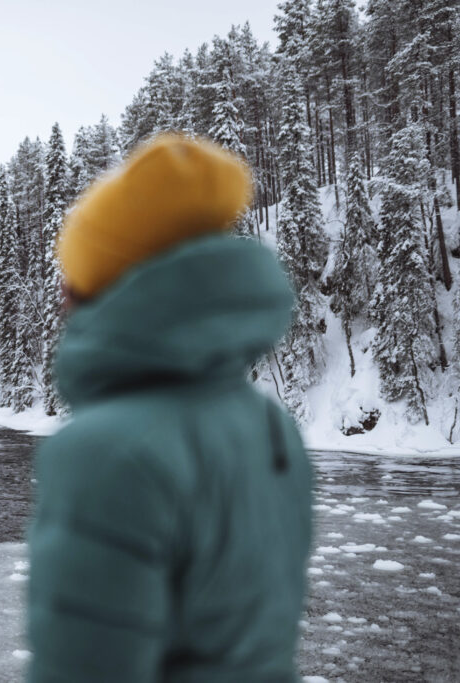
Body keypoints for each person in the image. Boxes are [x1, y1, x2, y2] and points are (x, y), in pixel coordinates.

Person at [26, 134, 313, 682]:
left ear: (110, 281)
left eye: (75, 273)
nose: (61, 295)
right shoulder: (268, 423)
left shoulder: (108, 452)